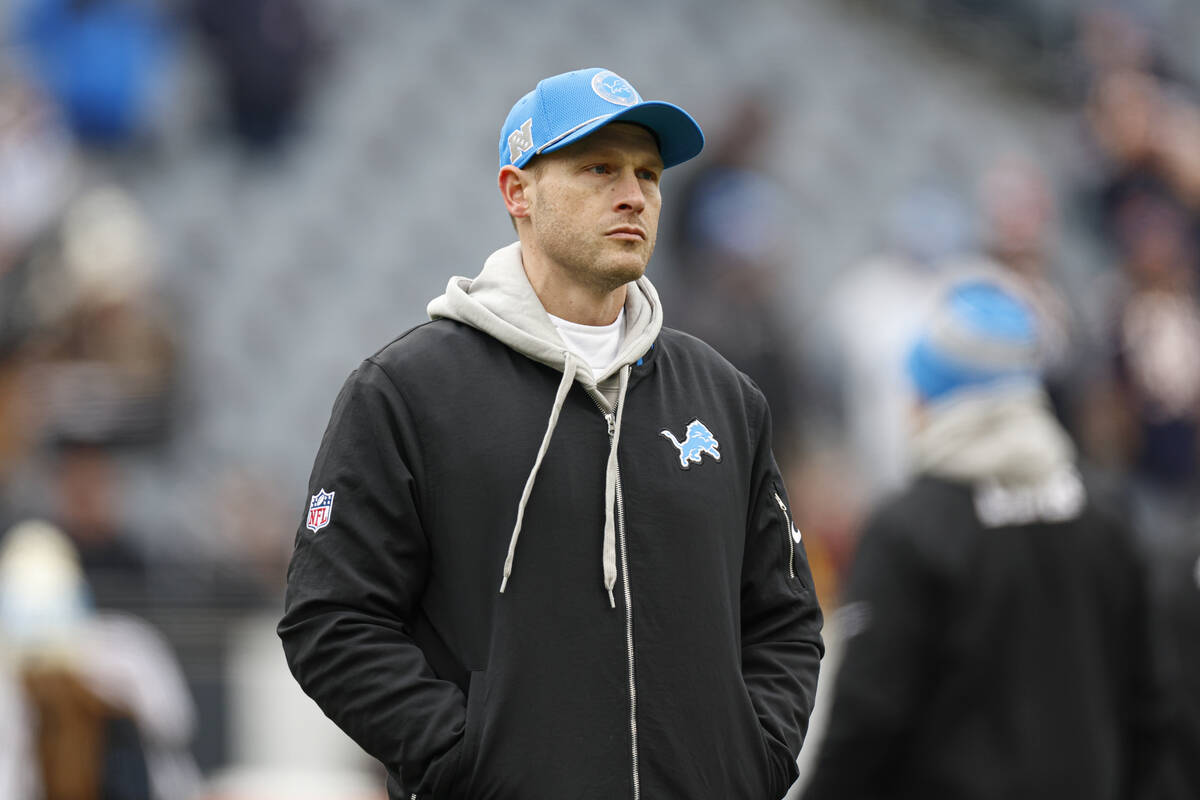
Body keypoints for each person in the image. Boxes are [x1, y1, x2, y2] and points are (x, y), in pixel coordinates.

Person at [277, 68, 824, 800]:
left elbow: (785, 620)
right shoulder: (408, 392)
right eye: (598, 167)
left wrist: (750, 762)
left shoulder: (724, 398)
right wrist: (463, 762)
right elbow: (331, 618)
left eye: (648, 173)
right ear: (517, 192)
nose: (633, 194)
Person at [800, 277, 1165, 800]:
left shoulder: (910, 531)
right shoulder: (1107, 517)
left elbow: (865, 722)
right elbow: (1150, 706)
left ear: (929, 397)